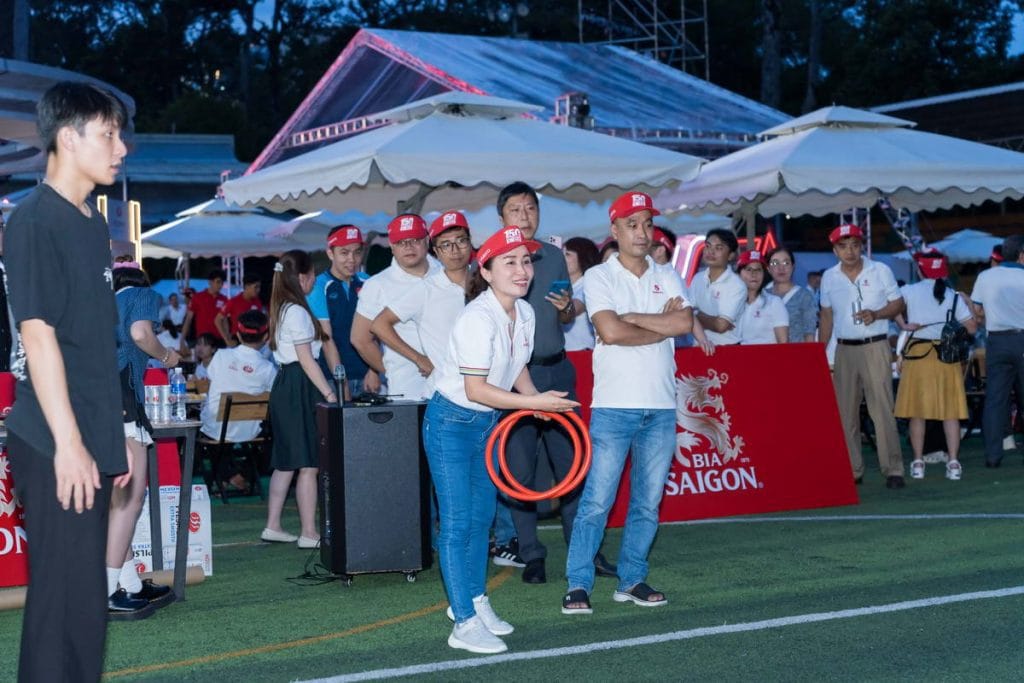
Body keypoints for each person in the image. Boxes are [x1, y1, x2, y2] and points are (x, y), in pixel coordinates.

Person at [4, 81, 130, 681]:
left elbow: (95, 345)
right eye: (108, 134)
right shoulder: (34, 220)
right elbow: (38, 337)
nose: (121, 148)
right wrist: (71, 444)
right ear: (68, 137)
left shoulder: (92, 223)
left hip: (89, 434)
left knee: (84, 601)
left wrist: (112, 435)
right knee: (58, 601)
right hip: (53, 437)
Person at [423, 225, 578, 654]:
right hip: (452, 423)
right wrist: (534, 403)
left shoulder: (524, 312)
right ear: (487, 272)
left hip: (487, 423)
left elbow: (516, 367)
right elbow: (475, 389)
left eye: (526, 261)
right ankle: (463, 622)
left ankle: (474, 601)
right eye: (509, 262)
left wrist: (537, 400)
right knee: (458, 523)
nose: (522, 270)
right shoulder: (477, 318)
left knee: (481, 519)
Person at [562, 191, 693, 615]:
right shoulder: (599, 276)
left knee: (647, 504)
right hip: (614, 405)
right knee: (597, 502)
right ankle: (578, 583)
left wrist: (632, 317)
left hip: (661, 406)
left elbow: (684, 322)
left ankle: (632, 579)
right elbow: (610, 332)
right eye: (632, 224)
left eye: (647, 224)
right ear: (614, 230)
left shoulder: (667, 273)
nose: (642, 232)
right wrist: (658, 325)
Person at [497, 181, 605, 585]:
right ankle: (531, 554)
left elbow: (565, 316)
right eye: (516, 209)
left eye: (531, 208)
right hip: (514, 378)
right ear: (502, 216)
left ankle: (584, 551)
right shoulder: (493, 258)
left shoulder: (554, 255)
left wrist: (565, 310)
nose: (524, 216)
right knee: (519, 470)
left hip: (557, 370)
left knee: (572, 464)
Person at [106, 260, 178, 621]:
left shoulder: (102, 299)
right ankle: (107, 590)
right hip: (122, 395)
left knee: (119, 502)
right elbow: (140, 334)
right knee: (129, 501)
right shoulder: (142, 295)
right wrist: (166, 355)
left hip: (100, 396)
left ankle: (129, 583)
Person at [818, 224, 906, 488]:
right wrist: (818, 351)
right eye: (843, 246)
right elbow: (826, 317)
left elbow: (899, 304)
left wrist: (877, 314)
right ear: (835, 250)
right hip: (843, 348)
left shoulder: (880, 270)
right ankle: (853, 469)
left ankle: (893, 469)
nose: (850, 251)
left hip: (875, 345)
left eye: (854, 245)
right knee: (846, 413)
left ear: (862, 247)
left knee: (882, 410)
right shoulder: (829, 277)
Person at [262, 250, 334, 547]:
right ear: (302, 277)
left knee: (286, 460)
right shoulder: (298, 311)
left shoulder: (281, 308)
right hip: (300, 384)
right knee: (308, 462)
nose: (314, 279)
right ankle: (309, 532)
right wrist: (329, 392)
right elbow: (306, 359)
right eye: (312, 274)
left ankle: (273, 525)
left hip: (285, 383)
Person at [371, 210, 473, 398]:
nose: (455, 250)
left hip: (486, 390)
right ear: (436, 251)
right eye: (446, 244)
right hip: (444, 395)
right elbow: (379, 324)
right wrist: (418, 359)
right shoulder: (426, 289)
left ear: (470, 242)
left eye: (461, 241)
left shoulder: (488, 281)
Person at [895, 251, 977, 480]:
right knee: (950, 413)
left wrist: (903, 324)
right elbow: (972, 328)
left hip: (917, 355)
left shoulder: (908, 291)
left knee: (917, 413)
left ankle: (918, 463)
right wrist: (968, 304)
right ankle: (953, 463)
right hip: (946, 358)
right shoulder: (952, 295)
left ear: (920, 269)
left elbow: (890, 307)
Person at [351, 214, 438, 399]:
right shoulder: (377, 285)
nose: (408, 247)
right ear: (391, 246)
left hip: (453, 385)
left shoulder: (447, 274)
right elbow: (360, 339)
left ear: (427, 240)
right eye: (401, 242)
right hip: (408, 389)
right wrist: (391, 370)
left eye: (415, 240)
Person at [200, 309, 277, 491]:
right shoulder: (268, 369)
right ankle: (241, 475)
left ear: (238, 335)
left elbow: (210, 379)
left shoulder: (221, 356)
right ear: (266, 336)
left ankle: (228, 475)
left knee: (205, 425)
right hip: (251, 430)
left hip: (217, 428)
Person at [970, 234, 1024, 468]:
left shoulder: (985, 276)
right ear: (1021, 255)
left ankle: (993, 456)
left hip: (997, 341)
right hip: (1022, 338)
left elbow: (977, 311)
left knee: (995, 400)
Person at [307, 225, 368, 397]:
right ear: (330, 254)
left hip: (367, 376)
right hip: (332, 377)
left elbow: (376, 330)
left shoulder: (367, 281)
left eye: (357, 252)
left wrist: (374, 370)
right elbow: (327, 339)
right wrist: (342, 384)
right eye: (344, 253)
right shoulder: (318, 286)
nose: (352, 259)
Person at [688, 228, 745, 347]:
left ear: (731, 255)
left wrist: (695, 315)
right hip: (699, 347)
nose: (711, 252)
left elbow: (721, 326)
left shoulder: (737, 285)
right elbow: (685, 314)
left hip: (728, 348)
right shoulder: (698, 278)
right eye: (708, 246)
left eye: (718, 248)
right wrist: (697, 316)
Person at [736, 250, 789, 344]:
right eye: (748, 269)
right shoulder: (730, 302)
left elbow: (783, 343)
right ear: (739, 274)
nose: (754, 274)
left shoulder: (774, 303)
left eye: (758, 270)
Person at [765, 247, 817, 342]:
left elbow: (809, 333)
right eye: (775, 263)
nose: (781, 268)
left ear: (793, 267)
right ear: (768, 268)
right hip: (764, 350)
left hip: (796, 350)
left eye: (786, 263)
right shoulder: (763, 295)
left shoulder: (804, 296)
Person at [562, 237, 600, 351]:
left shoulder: (587, 285)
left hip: (582, 351)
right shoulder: (566, 286)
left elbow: (575, 308)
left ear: (582, 257)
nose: (561, 257)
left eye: (567, 254)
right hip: (565, 353)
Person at [215, 271, 264, 347]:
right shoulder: (234, 301)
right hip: (237, 339)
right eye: (256, 287)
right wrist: (227, 339)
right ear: (247, 286)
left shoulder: (258, 302)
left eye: (259, 287)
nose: (258, 290)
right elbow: (217, 320)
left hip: (253, 341)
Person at [180, 269, 227, 348]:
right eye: (218, 282)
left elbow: (225, 321)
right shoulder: (197, 298)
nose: (220, 285)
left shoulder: (224, 299)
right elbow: (188, 319)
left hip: (219, 340)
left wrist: (227, 338)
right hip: (203, 341)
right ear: (210, 282)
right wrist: (182, 340)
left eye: (222, 283)